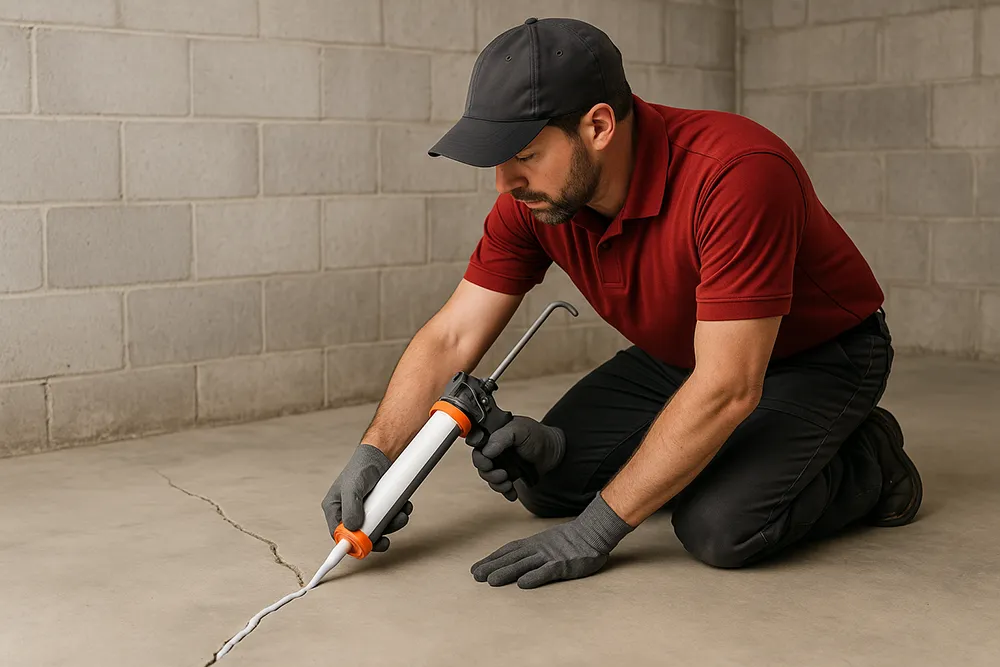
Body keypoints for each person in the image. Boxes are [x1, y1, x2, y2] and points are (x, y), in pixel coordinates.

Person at [321, 17, 922, 590]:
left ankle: (871, 457)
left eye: (523, 155)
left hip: (820, 356)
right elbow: (453, 335)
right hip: (684, 352)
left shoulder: (738, 174)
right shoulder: (536, 201)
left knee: (719, 528)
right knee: (544, 485)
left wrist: (594, 532)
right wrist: (374, 453)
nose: (503, 184)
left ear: (599, 126)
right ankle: (718, 451)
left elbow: (729, 386)